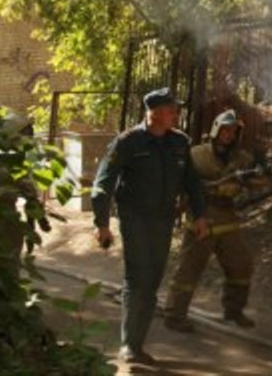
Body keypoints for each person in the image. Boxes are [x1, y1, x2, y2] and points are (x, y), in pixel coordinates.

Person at [92, 87, 209, 366]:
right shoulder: (128, 141)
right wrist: (101, 223)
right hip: (134, 217)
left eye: (176, 109)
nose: (175, 114)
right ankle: (129, 346)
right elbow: (103, 183)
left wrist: (201, 215)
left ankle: (137, 344)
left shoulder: (179, 142)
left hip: (164, 219)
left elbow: (193, 182)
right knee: (138, 275)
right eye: (171, 109)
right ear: (153, 112)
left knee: (153, 279)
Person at [163, 106, 271, 331]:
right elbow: (181, 182)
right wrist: (209, 188)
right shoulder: (196, 155)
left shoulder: (243, 159)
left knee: (241, 265)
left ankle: (234, 311)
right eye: (226, 131)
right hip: (202, 218)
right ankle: (174, 315)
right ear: (216, 130)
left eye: (233, 131)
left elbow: (260, 183)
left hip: (227, 218)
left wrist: (258, 177)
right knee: (189, 270)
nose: (229, 135)